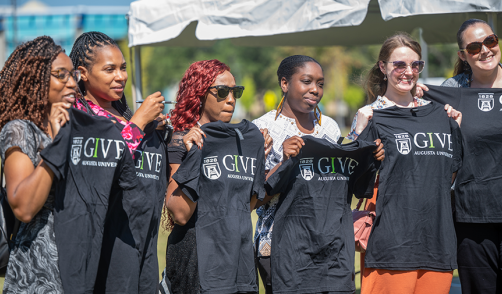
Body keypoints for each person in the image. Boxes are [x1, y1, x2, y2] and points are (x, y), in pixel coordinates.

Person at [252, 55, 384, 293]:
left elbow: (340, 185)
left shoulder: (330, 128)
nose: (315, 89)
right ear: (284, 83)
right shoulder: (261, 128)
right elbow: (252, 197)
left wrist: (370, 160)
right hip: (280, 247)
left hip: (328, 246)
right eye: (306, 81)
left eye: (320, 84)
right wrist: (283, 162)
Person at [349, 33, 463, 294]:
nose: (408, 72)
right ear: (383, 67)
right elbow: (352, 181)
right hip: (390, 246)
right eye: (399, 64)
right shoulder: (372, 117)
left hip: (438, 243)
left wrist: (455, 127)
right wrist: (357, 133)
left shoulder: (440, 115)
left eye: (415, 65)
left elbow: (452, 175)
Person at [69, 31, 167, 293]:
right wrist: (138, 123)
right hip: (109, 236)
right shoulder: (79, 117)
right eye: (109, 69)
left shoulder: (124, 114)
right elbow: (103, 163)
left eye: (123, 68)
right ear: (83, 73)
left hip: (143, 234)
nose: (121, 76)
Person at [164, 59, 272, 293]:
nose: (231, 99)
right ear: (200, 94)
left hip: (237, 258)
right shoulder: (181, 141)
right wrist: (195, 155)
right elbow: (180, 214)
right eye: (222, 92)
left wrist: (257, 161)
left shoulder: (244, 141)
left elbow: (243, 206)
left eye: (236, 92)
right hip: (196, 258)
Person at [438, 19, 502, 294]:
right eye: (474, 47)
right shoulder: (451, 89)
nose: (485, 50)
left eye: (490, 41)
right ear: (463, 55)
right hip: (471, 216)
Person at [0, 36, 77, 293]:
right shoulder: (20, 131)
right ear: (35, 80)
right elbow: (24, 207)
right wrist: (55, 145)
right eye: (60, 75)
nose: (72, 83)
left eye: (73, 75)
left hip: (78, 264)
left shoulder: (75, 127)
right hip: (37, 272)